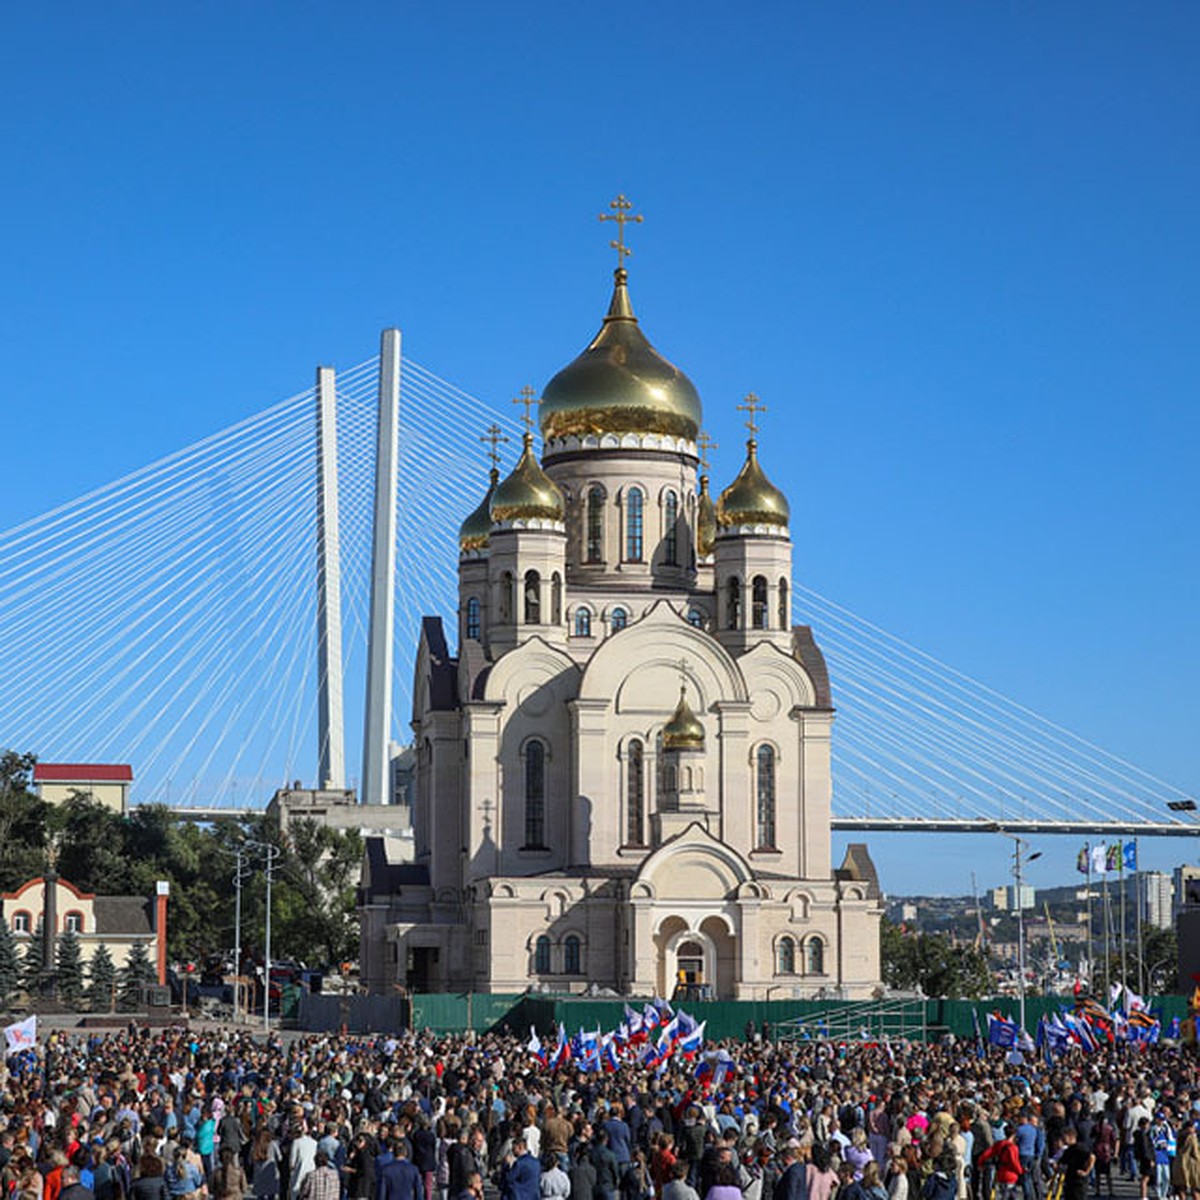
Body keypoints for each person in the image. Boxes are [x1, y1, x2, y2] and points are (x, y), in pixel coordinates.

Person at [1057, 1127, 1094, 1200]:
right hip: (1069, 1182)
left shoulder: (1080, 1148)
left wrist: (1087, 1171)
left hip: (1078, 1183)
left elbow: (1092, 1157)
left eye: (1064, 1137)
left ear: (1071, 1136)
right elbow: (1062, 1162)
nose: (1063, 1140)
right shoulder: (1068, 1150)